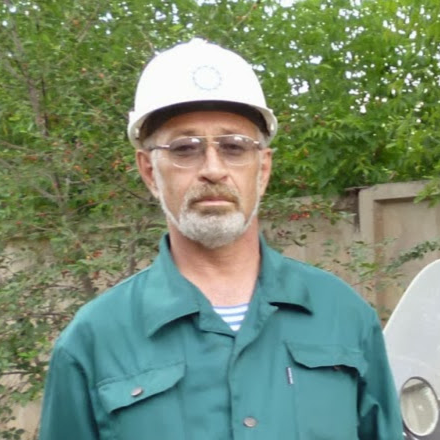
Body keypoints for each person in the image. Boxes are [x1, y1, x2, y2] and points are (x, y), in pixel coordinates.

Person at [39, 39, 403, 440]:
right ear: (149, 171)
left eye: (233, 147)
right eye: (185, 148)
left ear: (262, 169)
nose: (213, 169)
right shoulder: (92, 341)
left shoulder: (344, 317)